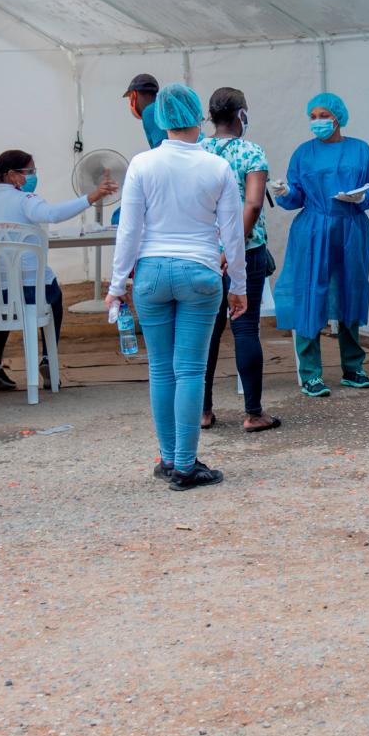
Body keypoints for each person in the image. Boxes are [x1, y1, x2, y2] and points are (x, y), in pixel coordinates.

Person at [107, 83, 248, 490]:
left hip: (150, 274)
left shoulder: (142, 164)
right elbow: (232, 235)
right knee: (190, 370)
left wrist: (117, 285)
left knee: (160, 370)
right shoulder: (216, 166)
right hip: (200, 272)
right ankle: (187, 466)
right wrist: (238, 284)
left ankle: (168, 458)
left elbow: (129, 231)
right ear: (197, 119)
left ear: (161, 119)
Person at [0, 149, 117, 393]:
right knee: (53, 291)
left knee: (3, 298)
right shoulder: (25, 200)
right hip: (28, 295)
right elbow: (52, 214)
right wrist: (91, 197)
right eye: (30, 171)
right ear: (11, 175)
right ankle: (48, 359)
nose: (33, 176)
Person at [273, 92, 369, 397]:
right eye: (313, 116)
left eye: (323, 115)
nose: (317, 121)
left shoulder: (360, 150)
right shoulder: (303, 153)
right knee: (310, 293)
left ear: (337, 117)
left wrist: (363, 197)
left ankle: (353, 368)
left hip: (351, 227)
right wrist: (284, 192)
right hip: (312, 229)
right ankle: (310, 373)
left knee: (351, 290)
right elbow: (296, 195)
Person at [199, 87, 281, 432]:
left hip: (202, 252)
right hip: (245, 251)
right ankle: (253, 412)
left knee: (206, 332)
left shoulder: (197, 151)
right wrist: (232, 246)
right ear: (241, 115)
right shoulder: (251, 152)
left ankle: (201, 411)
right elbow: (254, 203)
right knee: (245, 328)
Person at [125, 72, 165, 150]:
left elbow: (161, 150)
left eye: (129, 98)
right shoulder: (162, 108)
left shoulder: (150, 112)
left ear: (133, 95)